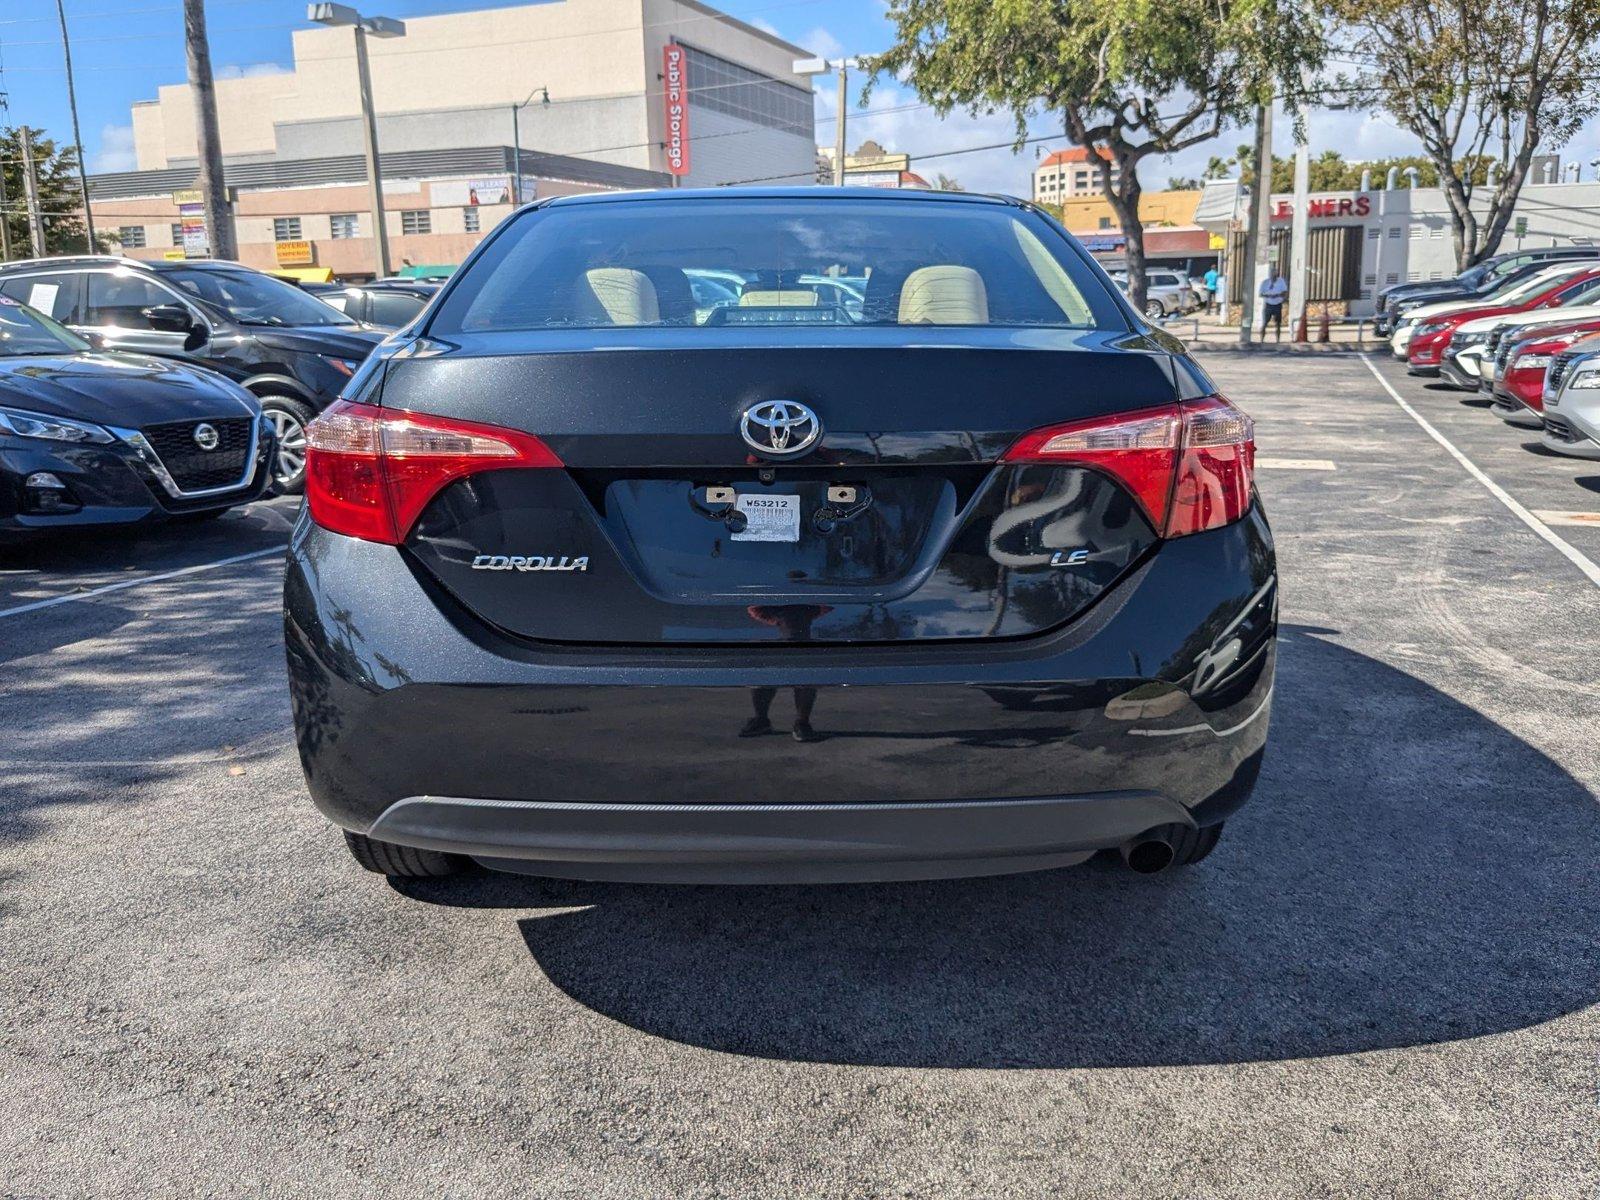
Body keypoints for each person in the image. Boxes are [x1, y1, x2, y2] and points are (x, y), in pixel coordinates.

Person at [1259, 266, 1289, 341]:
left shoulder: (1281, 281)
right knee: (1265, 322)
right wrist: (1268, 295)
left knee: (1278, 323)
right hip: (1268, 304)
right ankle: (1262, 339)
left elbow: (1285, 292)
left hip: (1277, 304)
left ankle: (1277, 340)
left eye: (1275, 274)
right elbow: (1261, 294)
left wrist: (1278, 295)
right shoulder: (1265, 282)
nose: (1273, 276)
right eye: (1272, 274)